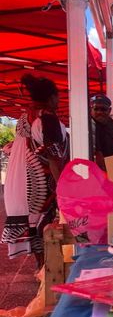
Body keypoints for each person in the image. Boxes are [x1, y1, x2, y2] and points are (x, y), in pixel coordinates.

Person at [1, 74, 68, 266]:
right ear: (52, 97)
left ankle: (42, 269)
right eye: (58, 96)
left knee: (37, 230)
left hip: (22, 183)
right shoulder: (46, 119)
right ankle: (47, 271)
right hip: (41, 186)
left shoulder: (25, 117)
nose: (59, 100)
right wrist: (64, 189)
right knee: (46, 229)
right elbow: (54, 157)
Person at [90, 94, 113, 171]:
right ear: (91, 109)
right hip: (95, 170)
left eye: (103, 109)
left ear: (109, 110)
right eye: (96, 109)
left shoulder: (110, 123)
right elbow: (97, 153)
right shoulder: (89, 124)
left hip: (111, 165)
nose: (99, 112)